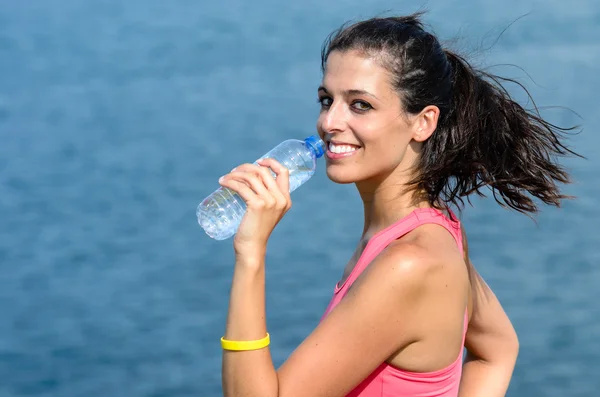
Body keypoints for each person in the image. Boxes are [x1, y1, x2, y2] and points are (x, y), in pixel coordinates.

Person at [216, 12, 578, 397]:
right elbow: (498, 348)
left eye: (360, 105)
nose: (330, 122)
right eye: (327, 100)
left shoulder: (409, 265)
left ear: (423, 122)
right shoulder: (435, 228)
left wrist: (251, 253)